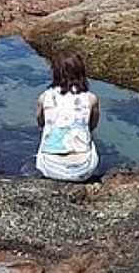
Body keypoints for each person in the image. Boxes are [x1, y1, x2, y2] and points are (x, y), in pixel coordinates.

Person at [35, 51, 100, 182]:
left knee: (47, 132)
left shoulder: (44, 97)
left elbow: (40, 123)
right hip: (83, 169)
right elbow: (92, 125)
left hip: (49, 168)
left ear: (55, 73)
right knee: (87, 135)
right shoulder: (91, 98)